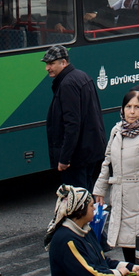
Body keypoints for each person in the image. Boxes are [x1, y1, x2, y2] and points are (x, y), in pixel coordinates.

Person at [93, 89, 139, 268]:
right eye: (128, 107)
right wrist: (100, 189)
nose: (132, 111)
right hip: (122, 198)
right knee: (126, 246)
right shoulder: (117, 131)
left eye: (137, 107)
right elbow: (107, 161)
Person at [43, 45, 104, 195]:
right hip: (89, 151)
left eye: (51, 64)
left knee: (78, 201)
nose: (47, 68)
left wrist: (64, 158)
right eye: (46, 64)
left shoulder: (67, 84)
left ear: (63, 62)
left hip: (77, 157)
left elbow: (72, 125)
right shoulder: (81, 76)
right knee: (87, 196)